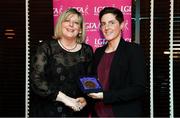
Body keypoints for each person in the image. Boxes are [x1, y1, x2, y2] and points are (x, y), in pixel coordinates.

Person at [29, 8, 93, 117]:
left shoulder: (87, 50)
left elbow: (89, 80)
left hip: (76, 111)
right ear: (60, 24)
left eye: (76, 22)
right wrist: (65, 99)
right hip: (48, 111)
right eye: (67, 20)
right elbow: (37, 80)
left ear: (80, 29)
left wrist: (85, 98)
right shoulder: (46, 47)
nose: (71, 24)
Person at [88, 7, 146, 117]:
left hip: (123, 114)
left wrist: (105, 96)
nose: (106, 27)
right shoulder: (99, 52)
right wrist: (86, 98)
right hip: (99, 113)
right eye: (103, 24)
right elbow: (95, 83)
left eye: (111, 23)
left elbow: (139, 88)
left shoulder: (133, 50)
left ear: (122, 25)